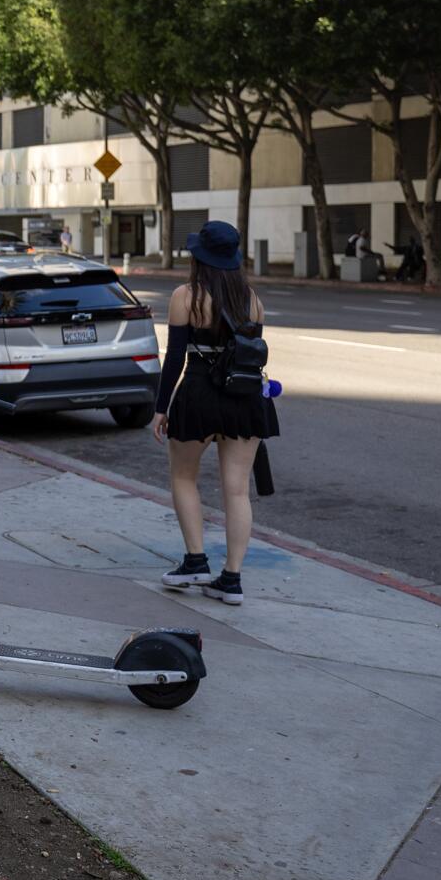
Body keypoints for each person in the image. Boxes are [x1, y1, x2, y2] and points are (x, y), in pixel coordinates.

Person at [151, 221, 279, 606]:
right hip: (244, 399)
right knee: (237, 490)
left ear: (199, 258)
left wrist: (161, 408)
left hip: (200, 395)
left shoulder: (186, 296)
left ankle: (195, 561)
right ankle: (232, 580)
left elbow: (174, 359)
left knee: (183, 477)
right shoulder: (253, 300)